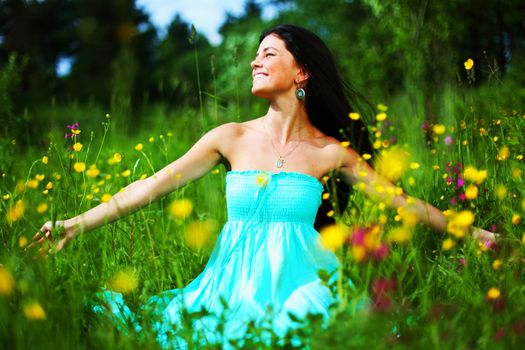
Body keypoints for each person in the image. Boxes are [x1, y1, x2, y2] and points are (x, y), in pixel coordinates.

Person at [32, 24, 495, 348]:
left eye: (268, 53)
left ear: (302, 72)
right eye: (256, 53)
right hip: (229, 284)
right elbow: (151, 186)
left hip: (302, 285)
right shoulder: (229, 137)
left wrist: (474, 234)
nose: (255, 60)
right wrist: (74, 223)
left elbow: (403, 203)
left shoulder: (331, 152)